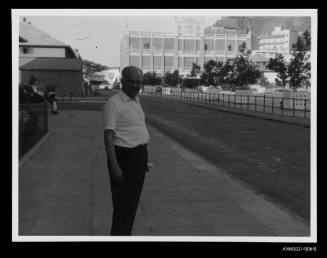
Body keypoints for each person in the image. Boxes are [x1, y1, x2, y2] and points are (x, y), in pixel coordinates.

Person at [103, 66, 150, 236]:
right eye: (131, 81)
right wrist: (115, 166)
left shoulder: (136, 100)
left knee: (132, 205)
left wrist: (144, 159)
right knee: (123, 207)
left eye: (138, 82)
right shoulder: (114, 104)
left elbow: (137, 128)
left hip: (138, 157)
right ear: (122, 81)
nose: (136, 85)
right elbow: (108, 135)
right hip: (124, 159)